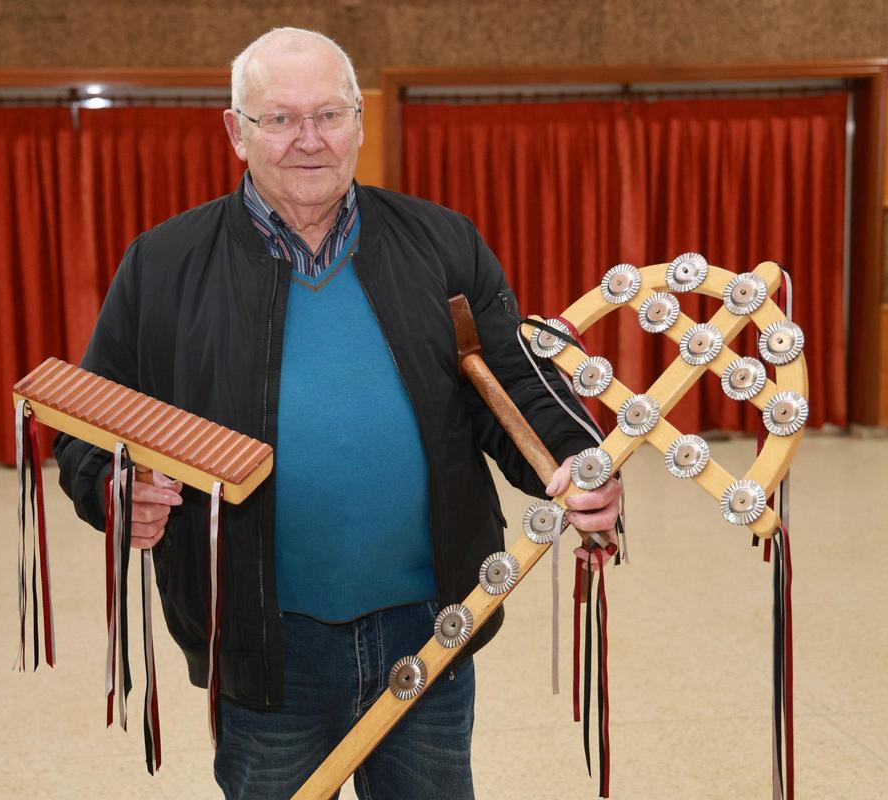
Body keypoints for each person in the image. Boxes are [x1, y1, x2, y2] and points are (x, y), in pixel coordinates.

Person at [54, 26, 621, 800]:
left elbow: (517, 385)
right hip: (263, 643)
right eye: (279, 119)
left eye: (328, 115)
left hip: (429, 620)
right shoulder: (163, 264)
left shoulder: (443, 242)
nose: (308, 140)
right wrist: (115, 489)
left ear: (360, 121)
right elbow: (90, 424)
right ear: (236, 132)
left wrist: (579, 462)